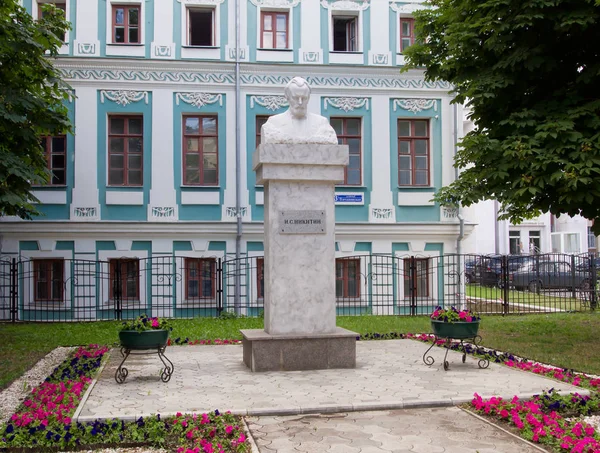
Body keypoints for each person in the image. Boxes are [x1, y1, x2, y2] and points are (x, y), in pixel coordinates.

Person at [261, 77, 338, 144]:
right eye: (295, 98)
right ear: (287, 97)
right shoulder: (273, 123)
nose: (300, 102)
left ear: (308, 98)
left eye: (304, 98)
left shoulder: (322, 123)